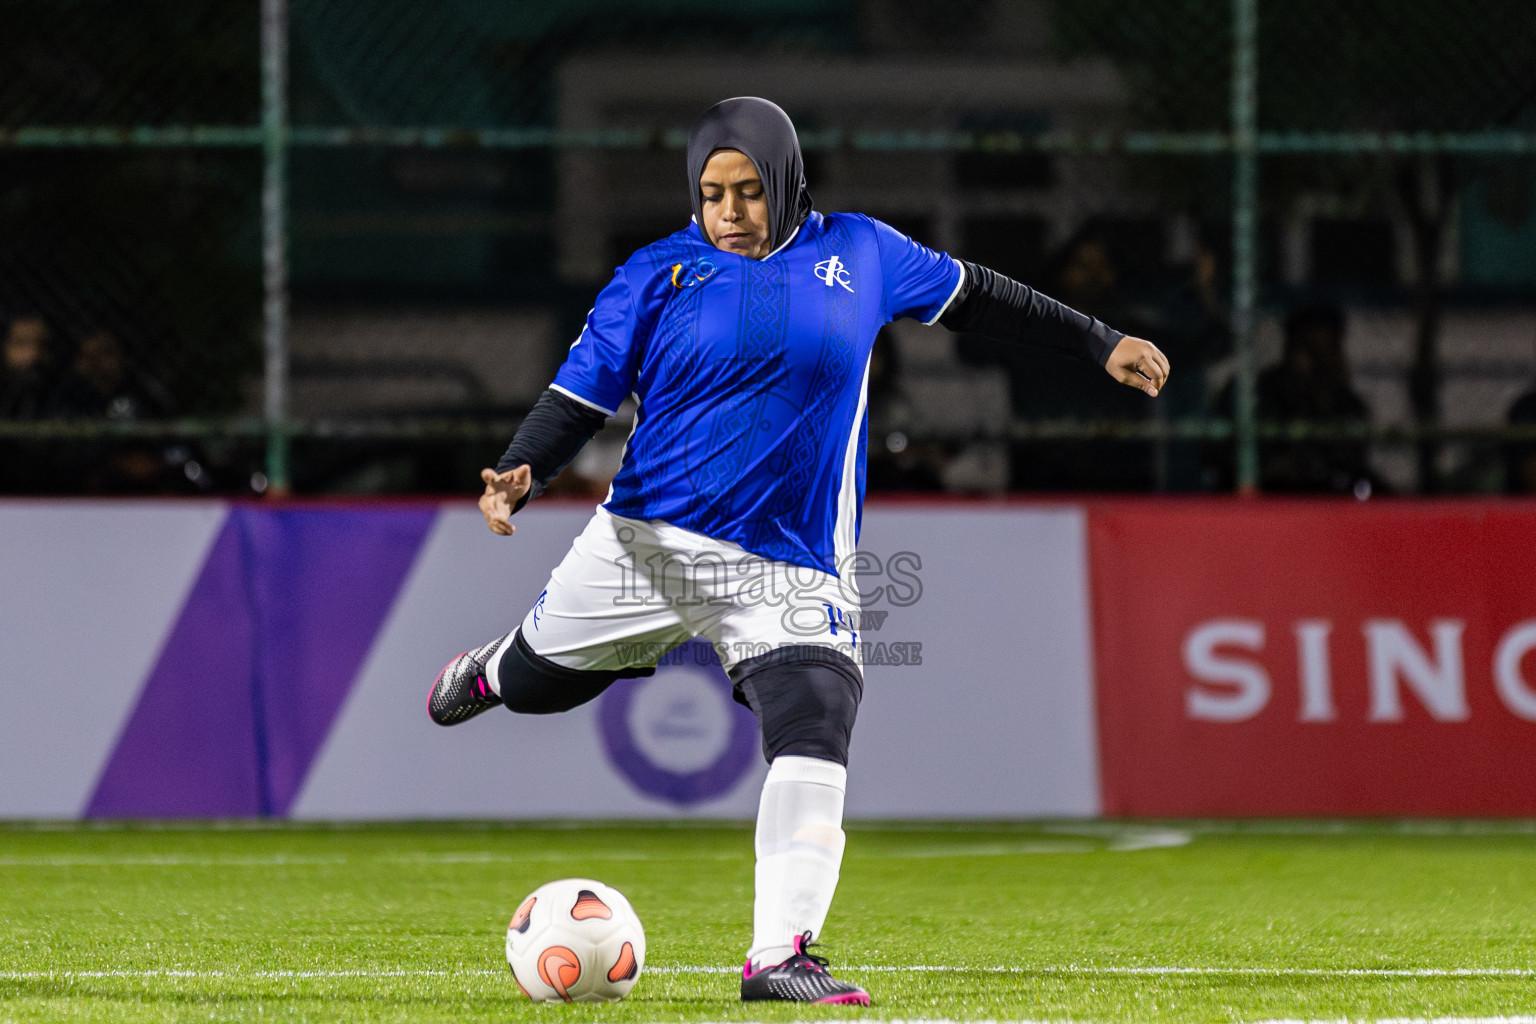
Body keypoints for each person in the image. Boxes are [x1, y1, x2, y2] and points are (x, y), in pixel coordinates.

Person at [426, 97, 1168, 1005]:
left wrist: (1099, 342)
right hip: (646, 545)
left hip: (794, 560)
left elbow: (983, 296)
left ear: (785, 179)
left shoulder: (863, 252)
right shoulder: (655, 275)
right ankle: (499, 667)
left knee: (817, 708)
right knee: (542, 685)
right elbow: (581, 394)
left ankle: (779, 954)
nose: (729, 213)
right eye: (710, 194)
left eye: (747, 191)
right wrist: (518, 472)